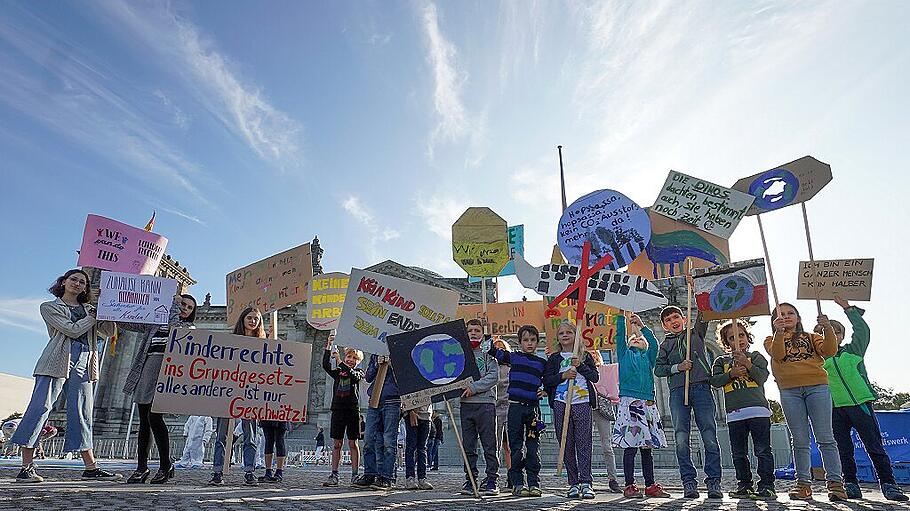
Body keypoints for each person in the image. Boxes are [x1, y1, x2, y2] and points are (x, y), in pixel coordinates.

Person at [11, 269, 120, 483]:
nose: (78, 284)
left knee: (82, 412)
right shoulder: (50, 307)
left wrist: (108, 310)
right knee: (40, 407)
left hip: (86, 361)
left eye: (82, 282)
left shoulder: (90, 308)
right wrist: (93, 316)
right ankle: (26, 467)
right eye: (74, 280)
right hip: (57, 359)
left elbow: (107, 332)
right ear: (63, 282)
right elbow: (70, 330)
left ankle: (91, 467)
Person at [821, 297, 908, 501]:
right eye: (825, 333)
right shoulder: (819, 360)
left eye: (836, 332)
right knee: (843, 449)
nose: (832, 336)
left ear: (842, 336)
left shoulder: (854, 350)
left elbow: (862, 331)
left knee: (874, 445)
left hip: (860, 403)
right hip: (834, 408)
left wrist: (847, 308)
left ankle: (888, 484)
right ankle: (850, 484)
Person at [765, 302, 846, 501]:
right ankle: (803, 484)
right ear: (774, 320)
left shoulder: (812, 337)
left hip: (816, 387)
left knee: (825, 437)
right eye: (781, 314)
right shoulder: (770, 339)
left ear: (798, 318)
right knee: (799, 439)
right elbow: (778, 354)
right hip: (789, 391)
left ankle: (835, 483)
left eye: (790, 313)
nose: (786, 316)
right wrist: (779, 333)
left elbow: (829, 351)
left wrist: (826, 327)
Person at [654, 280, 723, 499]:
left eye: (676, 317)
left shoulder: (697, 334)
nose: (673, 321)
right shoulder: (665, 345)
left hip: (702, 388)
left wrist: (695, 290)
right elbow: (659, 369)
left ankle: (714, 482)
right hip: (677, 392)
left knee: (709, 435)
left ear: (684, 319)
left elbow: (703, 311)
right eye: (668, 320)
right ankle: (688, 481)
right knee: (681, 437)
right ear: (664, 325)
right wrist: (678, 367)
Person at [121, 292, 197, 484]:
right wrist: (106, 310)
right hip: (146, 372)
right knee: (144, 423)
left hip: (166, 377)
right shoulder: (155, 322)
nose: (184, 309)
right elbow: (129, 322)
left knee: (155, 418)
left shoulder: (187, 327)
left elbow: (173, 330)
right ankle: (141, 468)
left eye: (189, 307)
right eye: (183, 304)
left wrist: (172, 305)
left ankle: (165, 465)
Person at [709, 319, 776, 499]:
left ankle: (767, 485)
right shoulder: (720, 361)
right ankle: (744, 484)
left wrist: (747, 364)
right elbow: (715, 381)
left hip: (758, 411)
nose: (738, 340)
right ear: (726, 342)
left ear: (748, 337)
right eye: (732, 338)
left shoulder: (756, 357)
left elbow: (762, 377)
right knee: (739, 453)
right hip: (735, 414)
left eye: (741, 335)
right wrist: (731, 374)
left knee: (762, 450)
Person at [612, 313, 669, 498]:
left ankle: (650, 484)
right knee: (630, 446)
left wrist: (642, 326)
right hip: (630, 403)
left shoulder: (649, 358)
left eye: (640, 339)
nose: (636, 338)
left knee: (647, 448)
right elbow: (620, 337)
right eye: (633, 338)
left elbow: (654, 345)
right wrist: (622, 317)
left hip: (647, 403)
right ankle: (629, 485)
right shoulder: (624, 354)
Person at [209, 307, 264, 487]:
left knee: (251, 435)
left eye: (256, 319)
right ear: (243, 319)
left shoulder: (265, 345)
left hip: (251, 394)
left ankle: (249, 471)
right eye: (249, 317)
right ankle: (218, 471)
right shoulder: (230, 341)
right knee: (222, 434)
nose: (253, 321)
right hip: (228, 391)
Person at [489, 324, 546, 497]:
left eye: (533, 340)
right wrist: (487, 336)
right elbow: (494, 352)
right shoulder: (513, 357)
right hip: (514, 408)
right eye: (526, 340)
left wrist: (546, 391)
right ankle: (517, 482)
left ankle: (534, 482)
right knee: (515, 447)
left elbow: (552, 380)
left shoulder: (542, 363)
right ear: (520, 342)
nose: (529, 343)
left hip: (533, 411)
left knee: (532, 446)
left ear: (537, 342)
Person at [543, 321, 598, 499]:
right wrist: (563, 375)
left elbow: (595, 377)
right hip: (561, 402)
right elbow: (548, 380)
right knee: (566, 442)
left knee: (584, 442)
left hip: (581, 402)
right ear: (558, 338)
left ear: (576, 336)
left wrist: (580, 365)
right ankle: (573, 482)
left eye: (569, 332)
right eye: (561, 333)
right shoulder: (554, 358)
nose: (565, 335)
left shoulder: (584, 356)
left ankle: (586, 482)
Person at [458, 318, 500, 496]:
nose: (473, 333)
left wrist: (473, 388)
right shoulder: (459, 354)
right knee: (469, 446)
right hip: (466, 405)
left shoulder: (489, 355)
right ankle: (470, 479)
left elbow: (494, 376)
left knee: (489, 444)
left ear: (482, 335)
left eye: (477, 330)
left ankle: (492, 479)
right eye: (470, 331)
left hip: (486, 404)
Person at [321, 333, 365, 487]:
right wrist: (328, 346)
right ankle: (334, 474)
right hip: (338, 409)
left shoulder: (358, 373)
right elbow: (326, 365)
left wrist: (339, 360)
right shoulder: (338, 373)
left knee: (353, 443)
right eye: (349, 357)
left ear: (358, 361)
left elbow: (352, 375)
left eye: (354, 358)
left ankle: (354, 475)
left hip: (353, 411)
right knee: (337, 444)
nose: (350, 360)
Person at [352, 353, 400, 491]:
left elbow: (406, 377)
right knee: (368, 439)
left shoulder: (400, 350)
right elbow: (368, 376)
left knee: (389, 441)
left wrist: (392, 364)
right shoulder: (375, 352)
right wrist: (375, 364)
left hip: (392, 400)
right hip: (374, 399)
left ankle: (387, 477)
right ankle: (370, 474)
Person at [589, 350, 621, 493]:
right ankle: (585, 479)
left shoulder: (608, 370)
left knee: (607, 445)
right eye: (590, 354)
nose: (594, 356)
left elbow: (623, 366)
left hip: (603, 409)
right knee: (585, 445)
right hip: (586, 407)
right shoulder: (583, 370)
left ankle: (612, 479)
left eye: (596, 353)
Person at [492, 338, 511, 484]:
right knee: (494, 445)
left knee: (511, 445)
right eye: (496, 348)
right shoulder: (490, 367)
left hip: (510, 407)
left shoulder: (512, 367)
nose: (500, 351)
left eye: (502, 348)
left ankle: (512, 475)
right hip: (494, 408)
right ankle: (494, 475)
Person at [403, 403, 433, 490]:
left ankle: (422, 478)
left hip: (426, 415)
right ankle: (410, 478)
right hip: (411, 413)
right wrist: (411, 411)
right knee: (411, 447)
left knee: (422, 448)